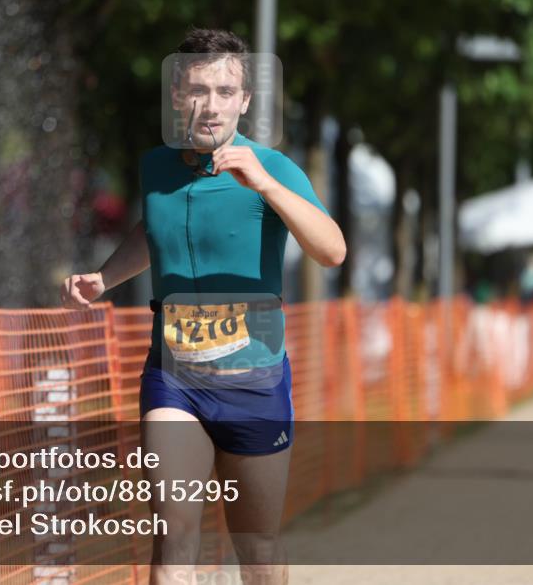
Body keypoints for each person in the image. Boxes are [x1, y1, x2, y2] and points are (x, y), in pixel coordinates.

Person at [61, 28, 345, 584]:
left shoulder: (275, 169)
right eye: (198, 89)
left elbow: (332, 250)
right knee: (173, 538)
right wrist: (106, 277)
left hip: (254, 379)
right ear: (176, 94)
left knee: (257, 548)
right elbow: (154, 228)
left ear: (244, 100)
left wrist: (264, 184)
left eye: (224, 91)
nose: (210, 105)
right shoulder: (157, 168)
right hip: (174, 377)